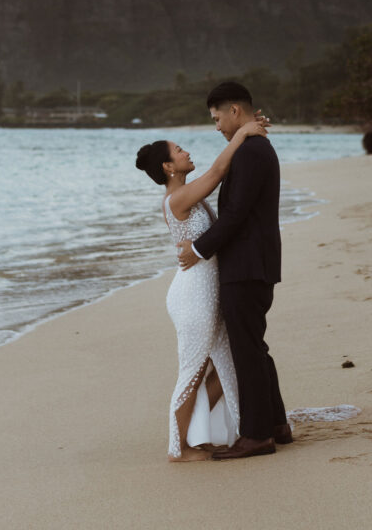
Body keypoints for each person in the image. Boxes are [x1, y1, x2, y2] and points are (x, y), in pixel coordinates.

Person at [136, 115, 268, 462]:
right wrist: (241, 134)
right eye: (179, 151)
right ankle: (178, 448)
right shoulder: (175, 199)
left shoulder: (185, 194)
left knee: (227, 369)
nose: (186, 152)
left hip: (210, 294)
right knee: (193, 372)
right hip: (192, 296)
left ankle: (219, 434)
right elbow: (216, 175)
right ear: (168, 166)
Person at [177, 81, 292, 460]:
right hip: (255, 264)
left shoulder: (251, 152)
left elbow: (236, 214)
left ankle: (258, 435)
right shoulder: (251, 147)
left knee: (247, 351)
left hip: (246, 267)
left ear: (235, 112)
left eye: (217, 118)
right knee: (255, 347)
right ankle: (276, 423)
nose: (217, 127)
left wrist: (197, 249)